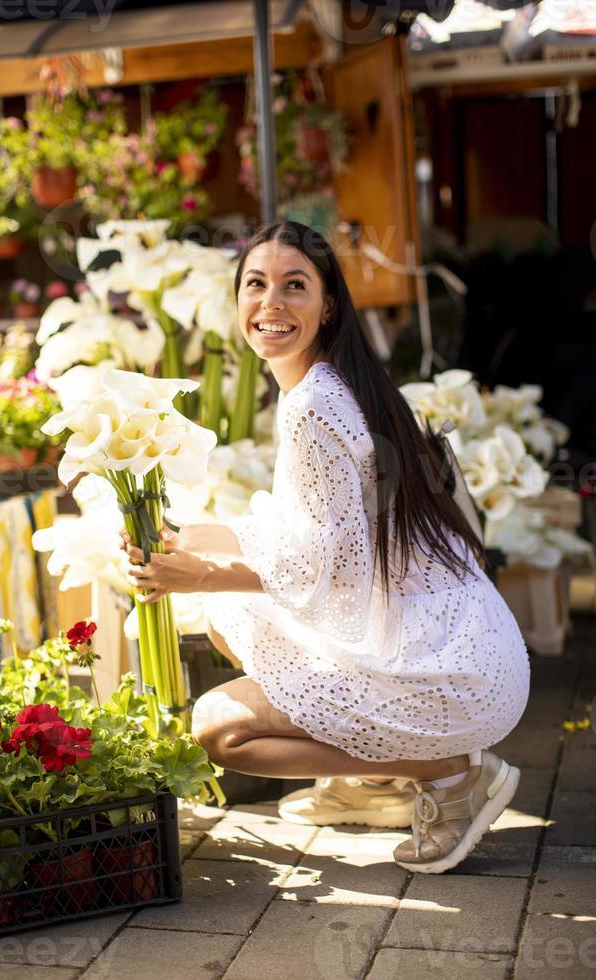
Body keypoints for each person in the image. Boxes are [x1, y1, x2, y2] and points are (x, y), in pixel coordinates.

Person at [121, 220, 530, 874]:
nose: (272, 303)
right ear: (238, 300)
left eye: (294, 286)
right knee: (234, 615)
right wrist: (184, 542)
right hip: (467, 653)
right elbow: (304, 531)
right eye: (256, 284)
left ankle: (449, 773)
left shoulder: (314, 406)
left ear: (327, 304)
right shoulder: (336, 384)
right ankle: (377, 782)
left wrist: (198, 576)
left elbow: (327, 571)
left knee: (219, 728)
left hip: (451, 674)